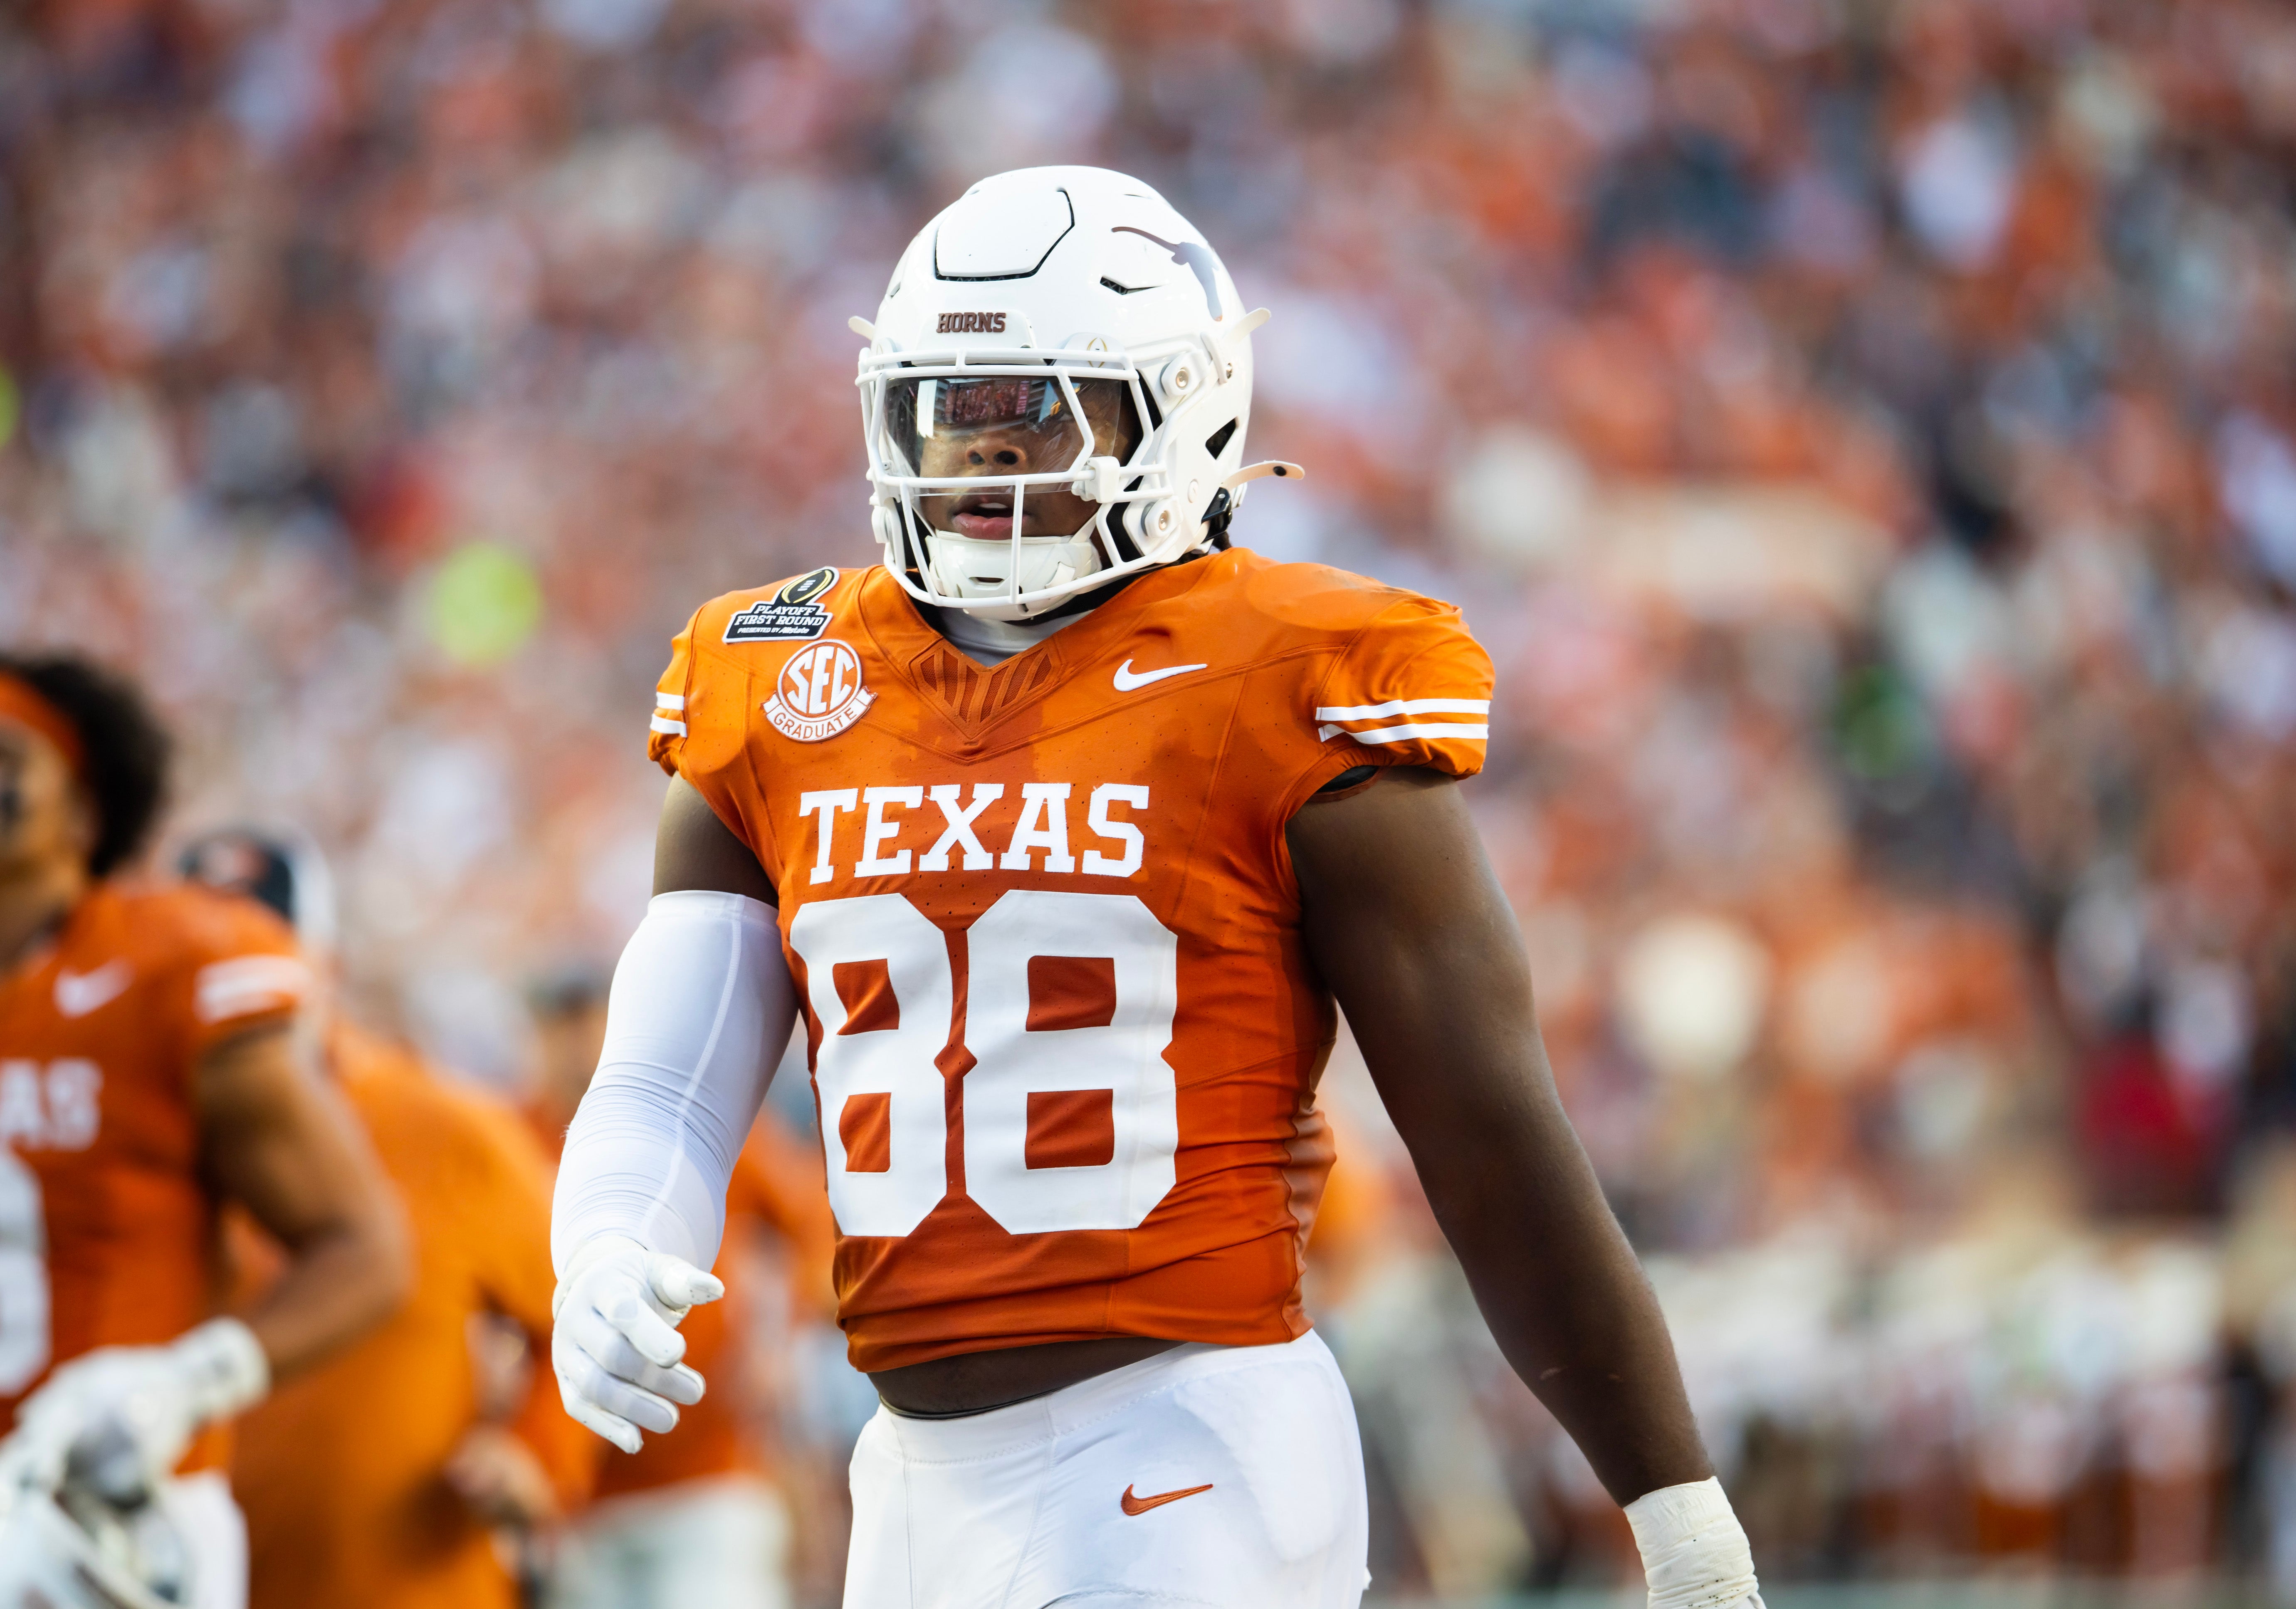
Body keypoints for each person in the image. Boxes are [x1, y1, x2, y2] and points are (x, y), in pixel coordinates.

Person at [549, 166, 1762, 1609]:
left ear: (1180, 407)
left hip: (1183, 1438)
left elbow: (1489, 1133)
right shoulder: (777, 678)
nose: (984, 466)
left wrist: (1682, 1521)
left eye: (1041, 412)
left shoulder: (1284, 671)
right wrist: (610, 1242)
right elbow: (666, 1085)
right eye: (952, 410)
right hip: (912, 1477)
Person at [0, 654, 410, 1609]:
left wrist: (184, 1382)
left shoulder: (170, 965)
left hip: (106, 1516)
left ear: (84, 813)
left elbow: (367, 1248)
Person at [179, 826, 593, 1609]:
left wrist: (533, 1455)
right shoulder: (137, 1136)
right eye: (196, 958)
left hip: (414, 1585)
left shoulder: (445, 1129)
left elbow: (580, 1318)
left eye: (255, 953)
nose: (226, 985)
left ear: (324, 972)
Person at [525, 967, 835, 1609]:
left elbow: (817, 1225)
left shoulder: (682, 1128)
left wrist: (791, 1342)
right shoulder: (513, 1135)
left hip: (709, 1469)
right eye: (559, 1026)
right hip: (577, 1485)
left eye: (587, 1020)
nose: (576, 1043)